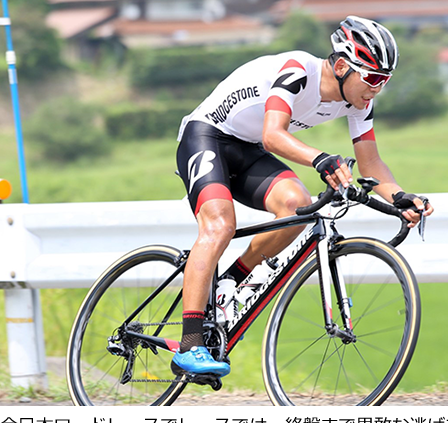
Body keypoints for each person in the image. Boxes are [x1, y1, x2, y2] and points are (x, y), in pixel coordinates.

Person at [172, 15, 434, 377]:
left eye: (384, 81)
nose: (377, 89)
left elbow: (370, 162)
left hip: (246, 149)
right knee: (220, 226)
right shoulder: (298, 71)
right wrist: (321, 159)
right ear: (341, 66)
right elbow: (272, 135)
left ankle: (230, 281)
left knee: (297, 205)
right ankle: (189, 343)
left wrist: (400, 197)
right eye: (373, 78)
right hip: (207, 136)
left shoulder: (357, 101)